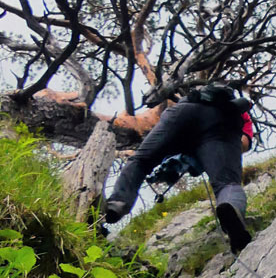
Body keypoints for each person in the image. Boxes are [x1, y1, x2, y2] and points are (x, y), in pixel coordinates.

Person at [102, 83, 253, 253]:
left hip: (181, 113)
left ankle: (117, 204)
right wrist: (210, 155)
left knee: (141, 160)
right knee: (227, 184)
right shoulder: (237, 113)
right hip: (221, 126)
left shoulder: (192, 100)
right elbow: (244, 143)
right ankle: (231, 210)